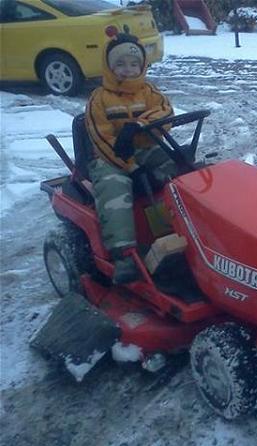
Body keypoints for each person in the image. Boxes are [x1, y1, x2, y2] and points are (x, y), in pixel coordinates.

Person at [85, 33, 177, 284]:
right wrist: (130, 166)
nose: (128, 70)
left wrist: (138, 124)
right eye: (120, 64)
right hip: (111, 157)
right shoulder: (99, 99)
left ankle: (183, 232)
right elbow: (100, 138)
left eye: (133, 64)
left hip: (148, 149)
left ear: (142, 65)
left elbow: (165, 112)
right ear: (109, 66)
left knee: (179, 175)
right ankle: (124, 257)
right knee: (115, 191)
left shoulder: (149, 91)